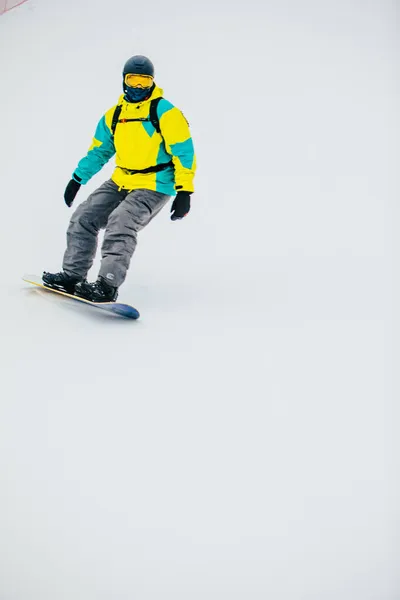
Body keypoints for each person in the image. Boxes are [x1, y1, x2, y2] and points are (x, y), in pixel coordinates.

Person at [43, 55, 196, 302]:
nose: (137, 87)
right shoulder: (114, 115)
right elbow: (100, 151)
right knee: (83, 218)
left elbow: (184, 152)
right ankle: (73, 275)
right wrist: (77, 179)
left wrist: (184, 191)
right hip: (122, 179)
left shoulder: (166, 113)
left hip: (155, 183)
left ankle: (107, 285)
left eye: (143, 82)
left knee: (121, 222)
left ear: (152, 83)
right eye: (132, 80)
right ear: (123, 82)